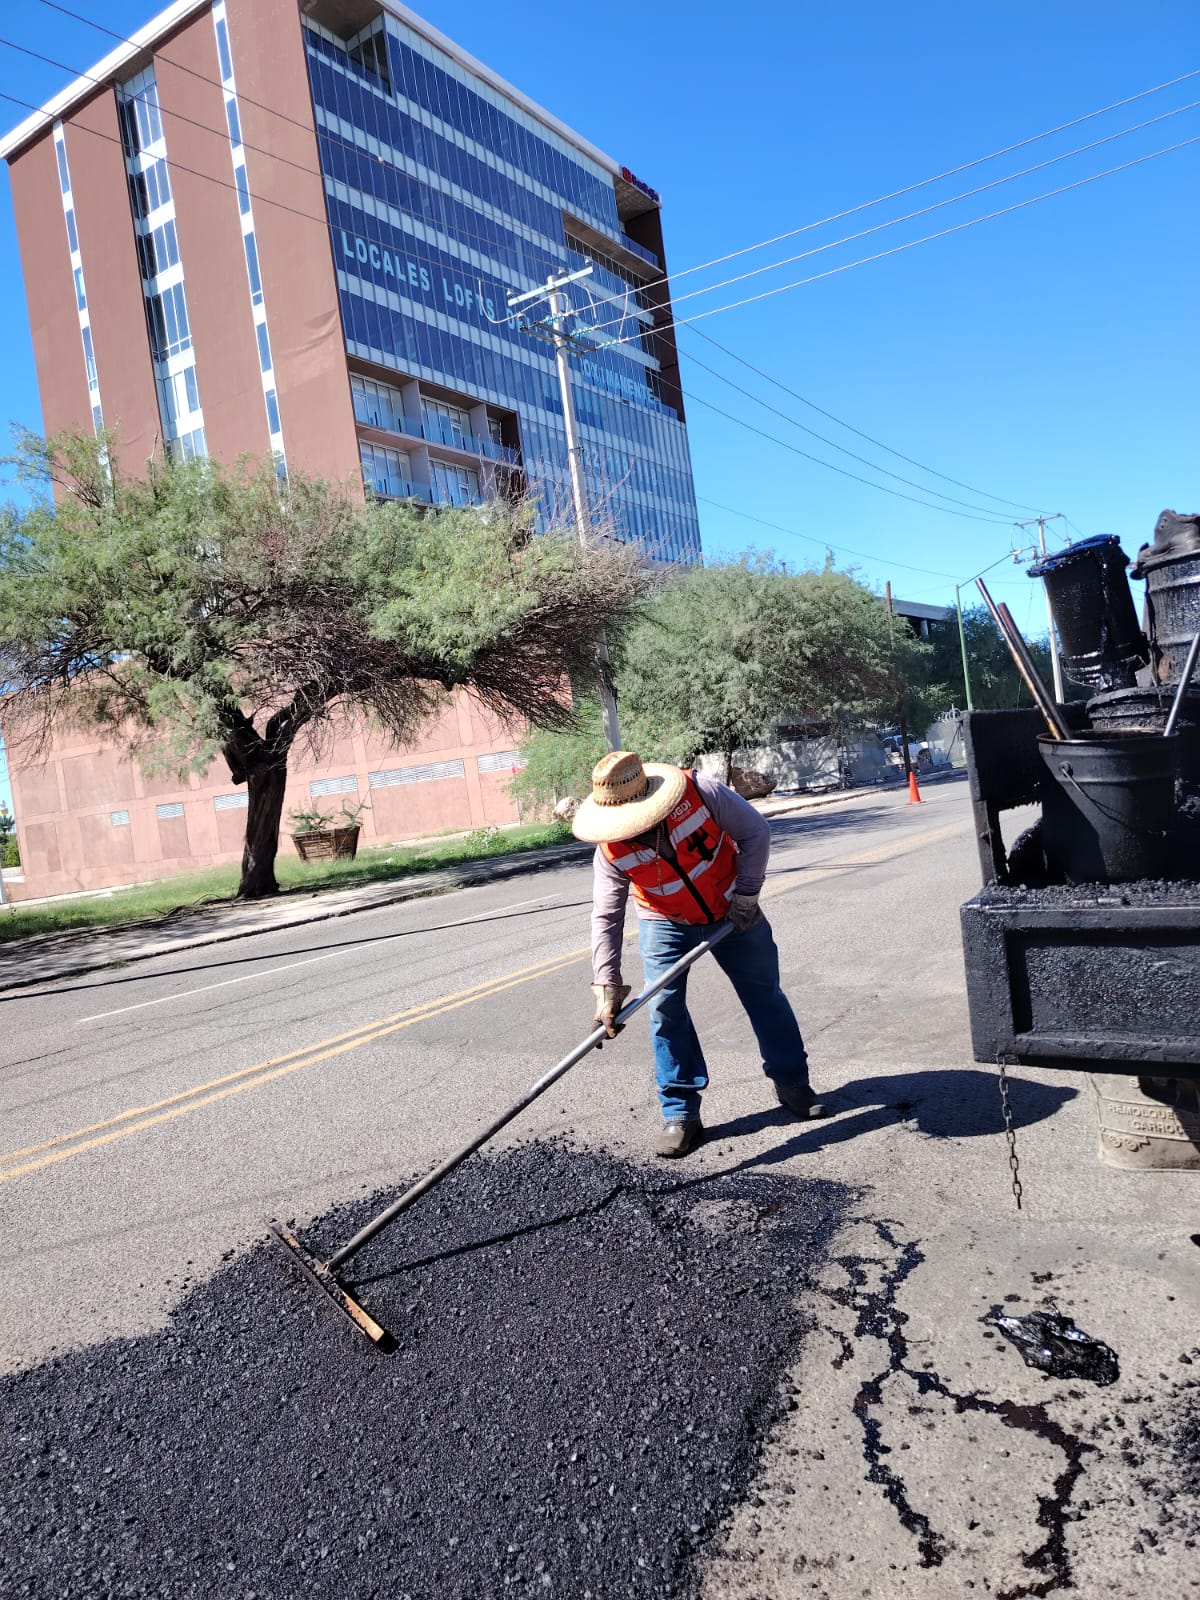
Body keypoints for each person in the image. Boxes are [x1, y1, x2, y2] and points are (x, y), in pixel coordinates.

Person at [572, 750, 830, 1157]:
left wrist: (746, 894)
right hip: (664, 920)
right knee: (664, 1009)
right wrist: (606, 986)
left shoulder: (700, 791)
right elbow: (606, 915)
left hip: (732, 907)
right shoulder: (610, 850)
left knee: (765, 995)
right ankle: (681, 1115)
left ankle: (793, 1084)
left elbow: (755, 832)